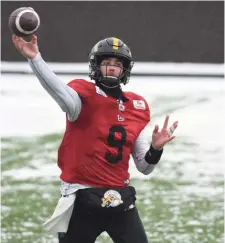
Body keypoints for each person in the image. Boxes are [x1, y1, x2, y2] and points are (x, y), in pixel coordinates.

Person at [12, 35, 178, 243]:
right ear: (95, 66)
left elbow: (145, 167)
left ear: (124, 69)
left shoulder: (137, 106)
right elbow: (57, 89)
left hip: (119, 198)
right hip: (82, 197)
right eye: (106, 63)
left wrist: (155, 148)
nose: (111, 68)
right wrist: (35, 59)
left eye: (117, 64)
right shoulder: (81, 98)